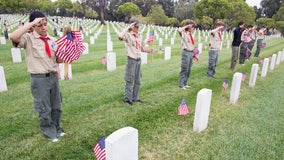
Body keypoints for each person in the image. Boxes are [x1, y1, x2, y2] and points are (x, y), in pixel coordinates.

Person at [9, 11, 65, 142]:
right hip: (39, 78)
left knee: (56, 105)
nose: (44, 27)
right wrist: (32, 23)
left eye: (45, 24)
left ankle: (57, 127)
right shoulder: (28, 38)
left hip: (53, 76)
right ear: (33, 26)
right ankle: (49, 131)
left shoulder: (52, 40)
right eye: (40, 25)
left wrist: (66, 55)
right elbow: (13, 37)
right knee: (44, 107)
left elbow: (58, 60)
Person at [118, 17, 153, 105]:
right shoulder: (128, 35)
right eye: (136, 26)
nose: (138, 28)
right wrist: (128, 27)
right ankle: (127, 99)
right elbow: (120, 36)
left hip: (138, 60)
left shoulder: (139, 35)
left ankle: (135, 97)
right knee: (130, 80)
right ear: (132, 26)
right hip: (131, 60)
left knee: (138, 80)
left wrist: (148, 51)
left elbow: (140, 48)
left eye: (138, 27)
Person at [177, 19, 196, 90]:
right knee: (184, 68)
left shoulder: (191, 35)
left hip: (191, 52)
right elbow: (179, 30)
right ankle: (181, 84)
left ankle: (185, 83)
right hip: (186, 52)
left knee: (189, 69)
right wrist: (187, 26)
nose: (193, 28)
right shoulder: (184, 33)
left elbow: (191, 44)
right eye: (192, 27)